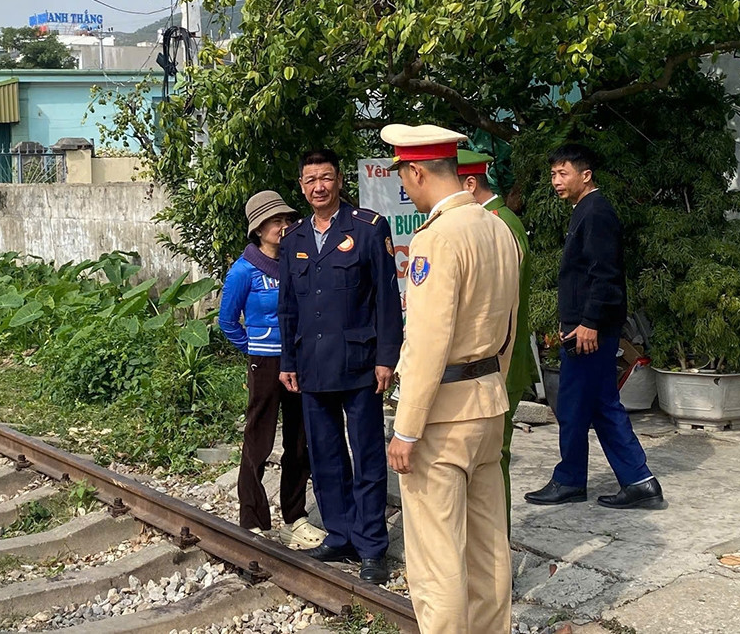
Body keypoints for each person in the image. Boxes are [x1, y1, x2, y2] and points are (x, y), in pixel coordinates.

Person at [381, 125, 520, 634]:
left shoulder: (436, 238)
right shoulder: (497, 226)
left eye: (405, 178)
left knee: (437, 562)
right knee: (488, 553)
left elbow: (426, 343)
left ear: (417, 171)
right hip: (488, 403)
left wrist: (406, 427)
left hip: (442, 418)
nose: (407, 189)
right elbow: (509, 322)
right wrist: (494, 385)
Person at [278, 149, 403, 584]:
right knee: (325, 455)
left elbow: (388, 301)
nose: (319, 187)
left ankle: (371, 546)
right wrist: (287, 361)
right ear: (301, 186)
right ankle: (340, 533)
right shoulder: (293, 239)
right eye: (310, 180)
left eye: (326, 178)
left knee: (367, 455)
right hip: (311, 366)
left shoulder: (368, 229)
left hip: (360, 363)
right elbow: (288, 308)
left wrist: (388, 357)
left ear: (339, 181)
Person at [523, 143, 664, 510]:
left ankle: (570, 480)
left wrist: (588, 323)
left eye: (563, 173)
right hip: (585, 327)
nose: (556, 180)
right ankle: (639, 481)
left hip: (591, 331)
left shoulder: (596, 212)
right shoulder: (584, 210)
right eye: (553, 174)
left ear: (586, 175)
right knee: (602, 405)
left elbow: (606, 275)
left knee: (571, 405)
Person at [218, 190, 325, 550]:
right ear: (258, 228)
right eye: (275, 221)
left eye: (286, 219)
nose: (283, 226)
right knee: (259, 439)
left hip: (299, 361)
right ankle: (252, 519)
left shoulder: (297, 262)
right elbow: (228, 321)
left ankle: (294, 517)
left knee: (299, 440)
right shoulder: (243, 271)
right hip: (264, 363)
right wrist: (255, 348)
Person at [459, 149, 537, 526]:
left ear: (470, 183)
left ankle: (496, 547)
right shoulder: (498, 220)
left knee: (492, 459)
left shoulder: (498, 223)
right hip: (499, 361)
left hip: (499, 363)